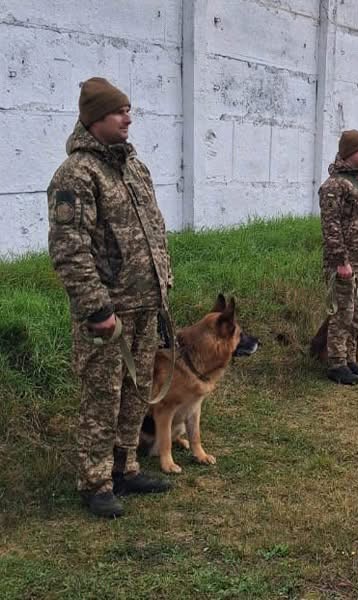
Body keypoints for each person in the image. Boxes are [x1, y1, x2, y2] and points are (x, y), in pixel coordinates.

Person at [47, 77, 173, 518]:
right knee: (102, 395)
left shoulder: (135, 167)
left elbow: (154, 232)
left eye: (128, 110)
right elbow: (69, 248)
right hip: (108, 313)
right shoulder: (77, 173)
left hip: (144, 304)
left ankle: (125, 467)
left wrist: (162, 295)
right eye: (119, 111)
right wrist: (96, 307)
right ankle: (95, 482)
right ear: (95, 118)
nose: (128, 117)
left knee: (136, 392)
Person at [319, 130, 358, 385]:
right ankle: (336, 363)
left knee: (357, 313)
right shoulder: (333, 186)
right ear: (348, 153)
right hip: (345, 263)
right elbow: (330, 227)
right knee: (342, 312)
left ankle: (350, 360)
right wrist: (340, 261)